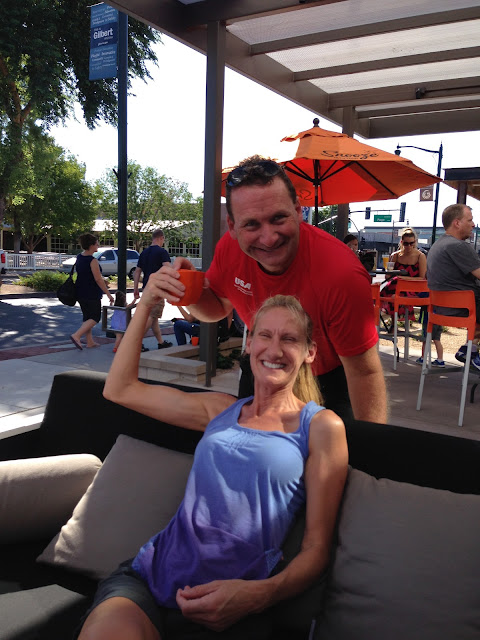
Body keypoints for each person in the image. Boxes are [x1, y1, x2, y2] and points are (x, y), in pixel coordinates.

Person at [76, 294, 348, 640]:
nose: (274, 349)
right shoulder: (220, 410)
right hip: (150, 577)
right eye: (265, 335)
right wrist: (146, 305)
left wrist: (259, 596)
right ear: (249, 344)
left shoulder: (321, 427)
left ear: (310, 352)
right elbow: (120, 389)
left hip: (234, 603)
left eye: (289, 339)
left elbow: (317, 549)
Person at [145, 156, 386, 424]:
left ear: (298, 211)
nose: (269, 238)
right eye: (252, 224)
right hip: (261, 369)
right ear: (233, 227)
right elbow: (217, 308)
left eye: (278, 218)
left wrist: (370, 443)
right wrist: (187, 292)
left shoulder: (341, 274)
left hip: (324, 381)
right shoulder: (229, 250)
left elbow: (364, 372)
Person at [426, 203, 480, 370]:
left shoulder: (437, 246)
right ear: (457, 223)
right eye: (469, 220)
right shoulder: (459, 246)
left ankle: (470, 349)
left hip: (440, 309)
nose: (473, 224)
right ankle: (471, 349)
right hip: (463, 309)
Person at [70, 233, 114, 350]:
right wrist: (109, 294)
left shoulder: (79, 257)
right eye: (96, 243)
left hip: (80, 291)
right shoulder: (92, 260)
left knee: (87, 317)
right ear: (91, 245)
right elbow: (98, 279)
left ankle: (90, 342)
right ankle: (77, 335)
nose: (98, 245)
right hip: (91, 293)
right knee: (95, 318)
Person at [133, 229, 173, 350]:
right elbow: (168, 269)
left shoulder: (144, 253)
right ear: (161, 238)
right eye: (163, 239)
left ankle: (161, 342)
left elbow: (137, 271)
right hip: (158, 289)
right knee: (151, 316)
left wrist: (135, 289)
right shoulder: (162, 252)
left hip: (146, 288)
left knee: (153, 316)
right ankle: (136, 342)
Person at [380, 227, 427, 320]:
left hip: (413, 288)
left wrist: (402, 278)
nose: (409, 246)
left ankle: (396, 321)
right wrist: (390, 273)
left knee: (397, 294)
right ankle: (393, 321)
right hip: (395, 287)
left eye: (411, 243)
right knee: (389, 291)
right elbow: (388, 276)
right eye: (406, 243)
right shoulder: (395, 255)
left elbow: (422, 278)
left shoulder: (420, 256)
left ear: (415, 242)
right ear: (401, 242)